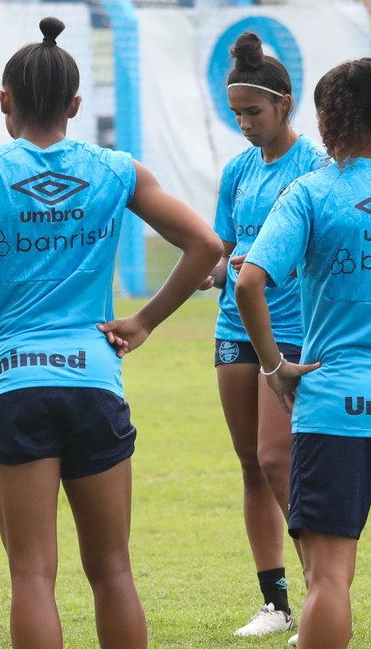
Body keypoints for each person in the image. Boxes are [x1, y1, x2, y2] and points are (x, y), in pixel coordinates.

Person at [0, 17, 222, 649]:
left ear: (5, 101)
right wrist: (144, 321)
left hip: (12, 385)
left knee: (31, 575)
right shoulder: (116, 169)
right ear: (77, 106)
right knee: (112, 570)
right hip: (93, 381)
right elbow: (206, 245)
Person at [235, 57, 371, 649]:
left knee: (328, 581)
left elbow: (247, 281)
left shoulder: (311, 191)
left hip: (333, 403)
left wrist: (272, 365)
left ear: (326, 118)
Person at [199, 31, 329, 639]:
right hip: (234, 325)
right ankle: (275, 603)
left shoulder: (317, 168)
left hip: (294, 327)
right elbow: (227, 250)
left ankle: (319, 592)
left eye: (254, 111)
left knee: (281, 460)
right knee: (250, 463)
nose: (245, 124)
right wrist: (215, 269)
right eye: (237, 114)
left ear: (285, 103)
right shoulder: (238, 171)